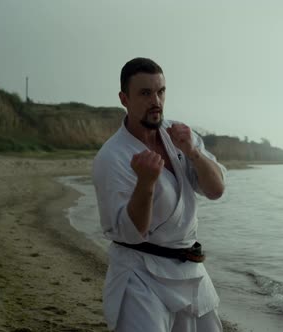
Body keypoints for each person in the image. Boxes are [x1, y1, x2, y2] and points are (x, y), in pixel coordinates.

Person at [92, 57, 227, 332]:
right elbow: (130, 233)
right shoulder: (113, 156)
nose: (156, 100)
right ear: (124, 98)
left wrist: (193, 152)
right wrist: (146, 183)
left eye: (161, 91)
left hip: (190, 268)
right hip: (139, 272)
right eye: (145, 93)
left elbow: (216, 190)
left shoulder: (179, 135)